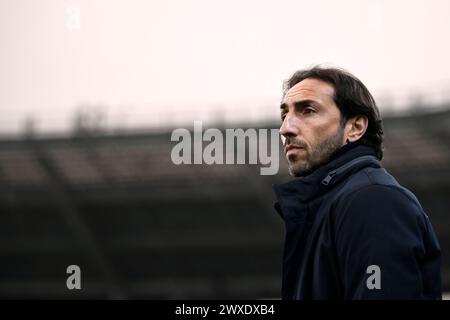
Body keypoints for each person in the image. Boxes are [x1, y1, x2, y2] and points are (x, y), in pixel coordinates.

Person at [273, 66, 442, 299]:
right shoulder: (333, 203)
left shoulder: (372, 200)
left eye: (308, 110)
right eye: (284, 115)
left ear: (355, 127)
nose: (285, 128)